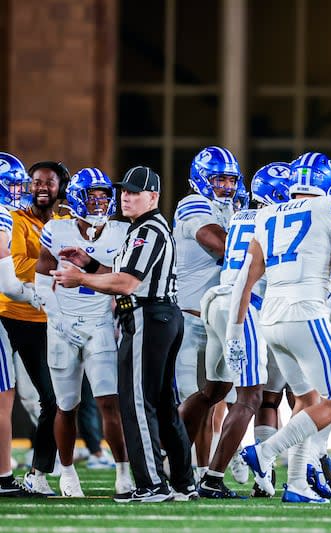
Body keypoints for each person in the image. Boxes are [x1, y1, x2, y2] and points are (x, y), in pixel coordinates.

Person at [52, 166, 194, 503]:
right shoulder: (143, 228)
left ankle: (152, 485)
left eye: (134, 191)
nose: (126, 197)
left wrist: (80, 279)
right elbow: (118, 273)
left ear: (154, 196)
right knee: (160, 404)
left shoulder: (148, 230)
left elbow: (127, 283)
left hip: (148, 315)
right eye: (124, 191)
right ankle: (183, 482)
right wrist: (88, 264)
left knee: (137, 403)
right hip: (158, 316)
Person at [237, 152, 331, 503]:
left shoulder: (266, 213)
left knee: (309, 401)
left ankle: (297, 484)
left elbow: (244, 280)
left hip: (270, 319)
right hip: (306, 314)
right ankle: (266, 451)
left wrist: (235, 332)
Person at [196, 165, 292, 499]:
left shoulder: (240, 217)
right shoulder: (274, 221)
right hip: (245, 307)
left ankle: (175, 464)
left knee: (212, 392)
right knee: (252, 396)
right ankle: (212, 477)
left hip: (218, 302)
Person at [35, 168, 131, 497]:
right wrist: (56, 317)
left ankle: (122, 470)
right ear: (78, 196)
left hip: (100, 324)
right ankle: (67, 472)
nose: (101, 202)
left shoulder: (121, 231)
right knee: (67, 404)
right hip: (62, 325)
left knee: (109, 402)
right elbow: (41, 275)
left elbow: (122, 280)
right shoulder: (57, 229)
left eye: (105, 196)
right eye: (94, 195)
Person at [0, 159, 70, 495]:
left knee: (54, 399)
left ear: (61, 187)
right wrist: (53, 266)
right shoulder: (12, 216)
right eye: (36, 182)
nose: (42, 187)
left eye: (49, 182)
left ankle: (39, 471)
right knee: (5, 397)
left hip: (42, 320)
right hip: (7, 313)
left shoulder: (67, 221)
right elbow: (15, 265)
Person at [173, 147, 241, 479]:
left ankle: (201, 472)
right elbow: (216, 241)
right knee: (191, 401)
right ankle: (172, 469)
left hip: (218, 320)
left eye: (231, 180)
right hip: (189, 318)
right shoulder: (192, 204)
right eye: (219, 179)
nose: (227, 187)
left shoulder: (233, 210)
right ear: (202, 179)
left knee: (215, 400)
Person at [0, 153, 41, 497]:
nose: (17, 192)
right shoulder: (3, 216)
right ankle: (2, 477)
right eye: (11, 185)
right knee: (3, 396)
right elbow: (9, 282)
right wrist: (37, 296)